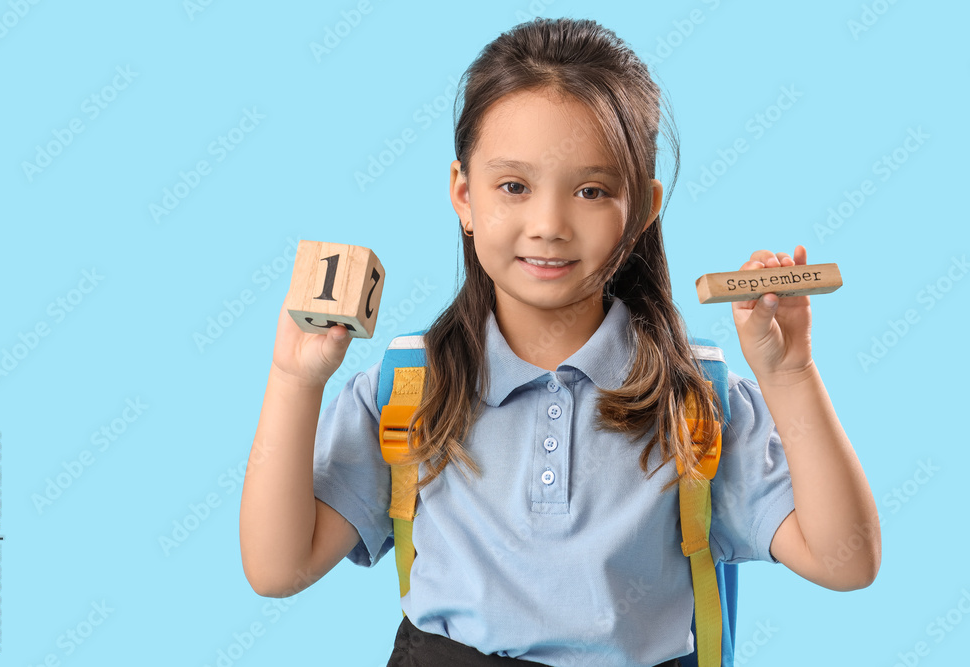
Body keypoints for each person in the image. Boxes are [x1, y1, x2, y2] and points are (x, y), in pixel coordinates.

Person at [239, 17, 881, 667]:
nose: (548, 225)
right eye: (513, 186)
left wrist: (790, 374)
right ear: (464, 194)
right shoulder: (408, 388)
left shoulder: (697, 400)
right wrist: (295, 380)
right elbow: (276, 567)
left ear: (643, 208)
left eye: (592, 190)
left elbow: (846, 560)